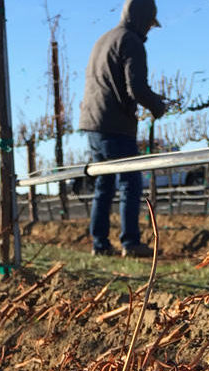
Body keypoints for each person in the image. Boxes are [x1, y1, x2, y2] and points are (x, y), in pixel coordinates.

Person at [79, 0, 166, 257]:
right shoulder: (131, 42)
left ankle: (100, 245)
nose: (149, 30)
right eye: (149, 24)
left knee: (104, 185)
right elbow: (136, 88)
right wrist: (157, 106)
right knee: (130, 182)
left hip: (92, 123)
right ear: (142, 19)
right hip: (116, 125)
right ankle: (130, 243)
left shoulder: (103, 39)